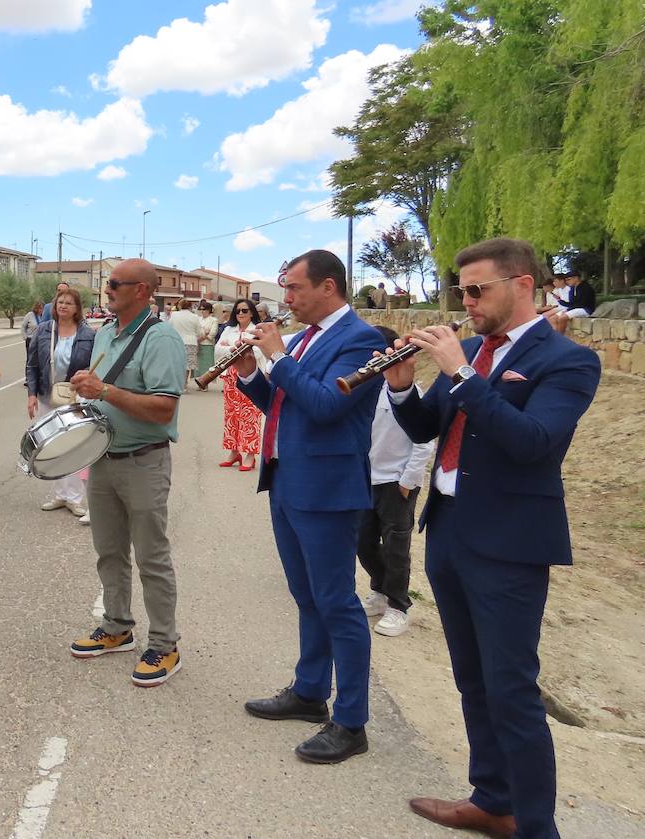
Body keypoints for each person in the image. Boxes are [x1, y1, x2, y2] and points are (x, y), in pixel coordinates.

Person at [386, 237, 601, 839]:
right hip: (449, 529)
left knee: (512, 689)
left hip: (510, 542)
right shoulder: (476, 350)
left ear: (524, 285)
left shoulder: (568, 361)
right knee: (471, 677)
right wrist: (402, 383)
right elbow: (428, 426)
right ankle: (492, 799)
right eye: (462, 291)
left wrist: (458, 370)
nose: (468, 301)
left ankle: (536, 827)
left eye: (478, 289)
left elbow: (532, 441)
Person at [234, 249, 386, 765]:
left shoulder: (363, 340)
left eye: (295, 289)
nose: (288, 300)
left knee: (337, 602)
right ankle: (308, 690)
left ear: (328, 286)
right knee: (306, 597)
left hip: (327, 489)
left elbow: (325, 406)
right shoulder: (302, 339)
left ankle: (351, 721)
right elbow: (282, 405)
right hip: (287, 481)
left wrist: (278, 358)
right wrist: (255, 372)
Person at [66, 258, 186, 688]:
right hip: (103, 459)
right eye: (108, 283)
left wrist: (106, 391)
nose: (108, 289)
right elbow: (103, 392)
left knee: (152, 558)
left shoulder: (161, 338)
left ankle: (165, 645)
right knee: (109, 552)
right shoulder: (106, 334)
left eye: (116, 283)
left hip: (143, 461)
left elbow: (164, 407)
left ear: (142, 290)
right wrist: (86, 396)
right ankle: (117, 627)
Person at [358, 326, 436, 639]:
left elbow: (423, 440)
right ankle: (379, 589)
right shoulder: (361, 390)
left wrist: (408, 479)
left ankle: (398, 605)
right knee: (362, 542)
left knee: (396, 546)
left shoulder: (408, 391)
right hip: (363, 481)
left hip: (396, 482)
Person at [25, 287, 95, 517]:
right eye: (59, 302)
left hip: (76, 397)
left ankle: (75, 498)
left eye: (68, 303)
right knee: (53, 447)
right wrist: (32, 394)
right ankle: (60, 495)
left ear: (77, 309)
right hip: (48, 395)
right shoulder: (44, 330)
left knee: (74, 446)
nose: (63, 306)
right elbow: (33, 364)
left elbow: (94, 365)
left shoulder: (87, 334)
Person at [215, 299, 268, 471]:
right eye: (237, 311)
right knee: (231, 417)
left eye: (244, 311)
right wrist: (237, 348)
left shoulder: (258, 330)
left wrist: (231, 347)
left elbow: (259, 350)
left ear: (252, 312)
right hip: (231, 377)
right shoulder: (229, 329)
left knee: (250, 415)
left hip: (252, 376)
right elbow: (218, 349)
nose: (240, 314)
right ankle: (233, 452)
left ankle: (249, 455)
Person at [195, 302, 219, 385]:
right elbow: (196, 331)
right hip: (198, 344)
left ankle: (205, 383)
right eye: (201, 309)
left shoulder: (214, 320)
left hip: (207, 345)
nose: (202, 311)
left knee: (207, 365)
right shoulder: (198, 319)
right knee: (198, 366)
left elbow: (212, 333)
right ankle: (198, 382)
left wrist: (204, 335)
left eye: (204, 309)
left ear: (209, 310)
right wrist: (203, 334)